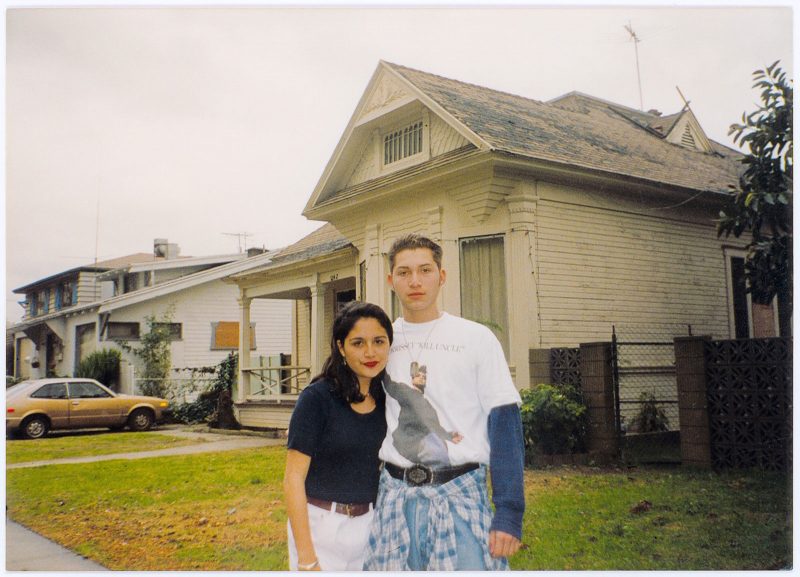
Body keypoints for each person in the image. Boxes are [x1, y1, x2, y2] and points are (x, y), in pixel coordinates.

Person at [364, 233, 526, 571]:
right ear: (391, 280)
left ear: (442, 276)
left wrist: (509, 512)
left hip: (459, 495)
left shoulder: (475, 339)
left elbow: (505, 421)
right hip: (396, 498)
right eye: (405, 272)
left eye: (425, 270)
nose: (415, 281)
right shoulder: (381, 344)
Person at [283, 301, 392, 571]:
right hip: (321, 528)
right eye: (358, 343)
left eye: (379, 341)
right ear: (341, 347)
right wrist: (307, 557)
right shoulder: (317, 398)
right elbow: (293, 479)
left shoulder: (389, 399)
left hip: (369, 527)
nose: (370, 352)